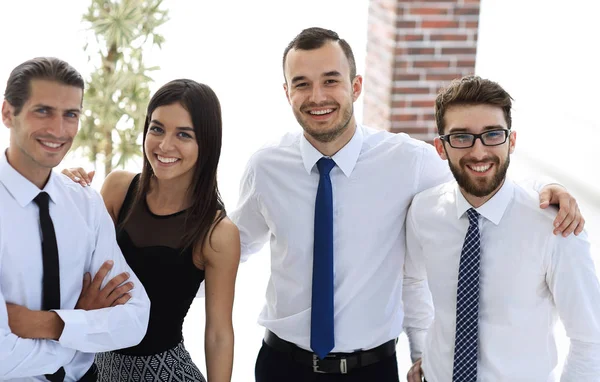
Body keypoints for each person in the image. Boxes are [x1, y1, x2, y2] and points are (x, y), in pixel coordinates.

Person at [229, 27, 585, 382]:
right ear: (286, 92)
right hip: (281, 365)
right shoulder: (266, 168)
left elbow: (480, 178)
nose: (317, 96)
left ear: (356, 86)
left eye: (331, 80)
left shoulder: (409, 162)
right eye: (302, 83)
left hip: (371, 371)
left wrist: (544, 188)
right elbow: (231, 247)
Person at [405, 76, 600, 382]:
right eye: (461, 137)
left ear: (511, 141)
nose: (479, 151)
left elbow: (590, 339)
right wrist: (421, 355)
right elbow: (413, 282)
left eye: (492, 134)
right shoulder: (423, 211)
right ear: (441, 148)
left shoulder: (556, 226)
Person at [62, 79, 240, 382]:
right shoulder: (117, 189)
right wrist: (65, 196)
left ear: (206, 143)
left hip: (165, 374)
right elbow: (72, 270)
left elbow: (218, 334)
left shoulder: (218, 233)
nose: (164, 145)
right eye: (156, 129)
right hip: (96, 368)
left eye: (183, 134)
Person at [0, 56, 150, 381]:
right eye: (43, 111)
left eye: (71, 115)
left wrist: (56, 324)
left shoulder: (85, 203)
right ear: (7, 113)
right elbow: (2, 357)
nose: (58, 130)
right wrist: (82, 326)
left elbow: (136, 318)